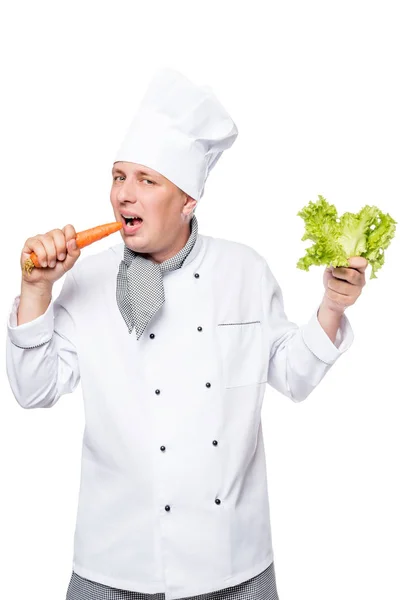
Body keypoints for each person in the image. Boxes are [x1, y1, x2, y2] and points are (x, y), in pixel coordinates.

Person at [6, 68, 368, 600]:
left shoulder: (243, 271)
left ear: (189, 201)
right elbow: (33, 390)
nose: (124, 195)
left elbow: (293, 375)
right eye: (118, 176)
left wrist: (333, 306)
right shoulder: (85, 278)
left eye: (146, 181)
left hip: (232, 564)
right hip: (113, 563)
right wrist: (35, 289)